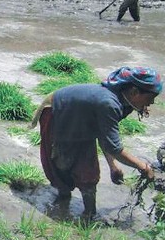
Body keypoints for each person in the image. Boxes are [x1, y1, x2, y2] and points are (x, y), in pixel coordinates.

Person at [31, 66, 160, 221]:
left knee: (88, 171)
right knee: (61, 159)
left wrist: (113, 166)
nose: (152, 102)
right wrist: (143, 167)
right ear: (134, 92)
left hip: (82, 118)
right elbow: (115, 147)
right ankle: (68, 200)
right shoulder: (109, 104)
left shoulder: (125, 104)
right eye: (150, 97)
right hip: (57, 111)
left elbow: (105, 136)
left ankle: (88, 213)